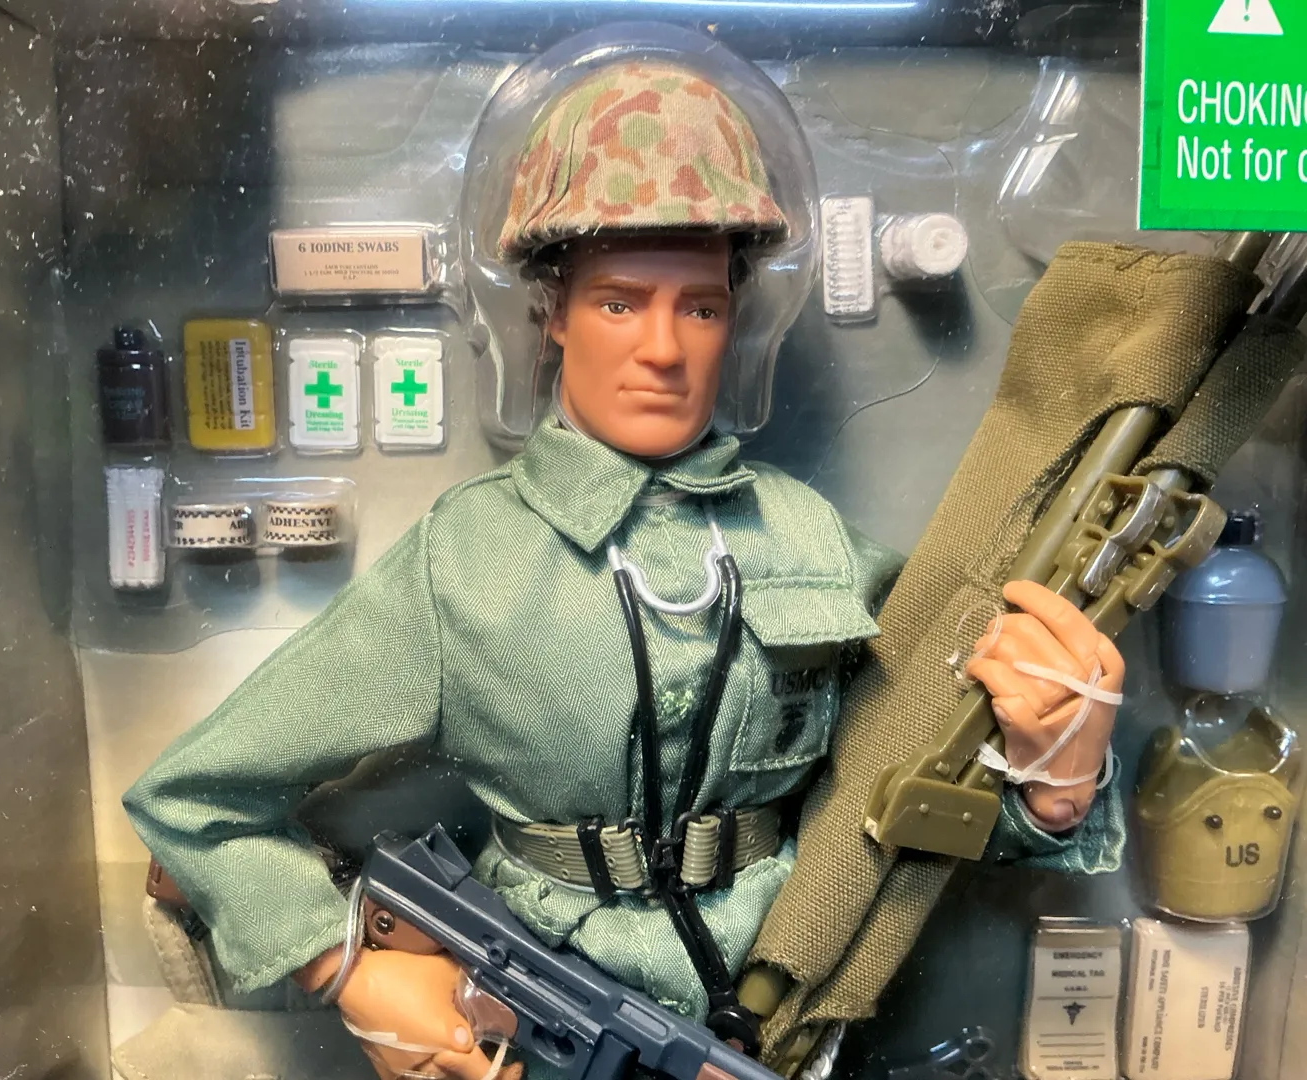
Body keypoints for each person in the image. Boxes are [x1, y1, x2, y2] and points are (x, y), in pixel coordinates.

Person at [123, 58, 1124, 1080]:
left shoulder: (804, 537)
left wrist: (1054, 781)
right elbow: (195, 799)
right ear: (551, 310)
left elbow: (909, 787)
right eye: (617, 303)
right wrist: (346, 968)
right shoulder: (470, 560)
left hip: (788, 1001)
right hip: (535, 1021)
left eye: (701, 307)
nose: (664, 348)